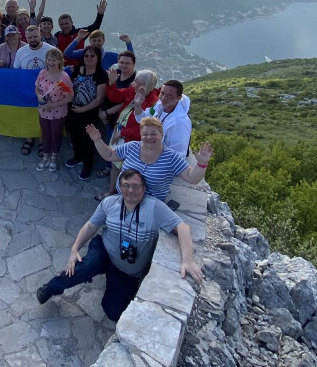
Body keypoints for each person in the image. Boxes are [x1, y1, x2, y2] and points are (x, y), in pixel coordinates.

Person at [35, 169, 203, 321]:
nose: (131, 190)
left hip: (128, 269)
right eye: (126, 186)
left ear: (144, 189)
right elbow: (91, 226)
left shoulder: (154, 208)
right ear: (120, 187)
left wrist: (187, 260)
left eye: (136, 186)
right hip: (105, 250)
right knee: (84, 267)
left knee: (113, 312)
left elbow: (183, 227)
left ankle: (111, 280)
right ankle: (50, 288)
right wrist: (74, 249)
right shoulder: (110, 203)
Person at [86, 117, 213, 202]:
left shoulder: (171, 157)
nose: (149, 137)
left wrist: (202, 163)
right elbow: (109, 155)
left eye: (154, 134)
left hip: (148, 205)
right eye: (145, 134)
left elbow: (192, 178)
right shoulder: (132, 146)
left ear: (162, 135)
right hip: (123, 197)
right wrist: (97, 140)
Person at [95, 70, 159, 201]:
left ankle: (118, 196)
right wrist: (112, 84)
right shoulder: (134, 91)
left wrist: (122, 133)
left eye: (137, 81)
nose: (133, 83)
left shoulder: (153, 104)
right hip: (120, 134)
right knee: (115, 165)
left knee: (124, 170)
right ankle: (112, 192)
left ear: (146, 85)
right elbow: (116, 97)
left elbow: (143, 129)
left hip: (129, 140)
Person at [66, 46, 107, 180]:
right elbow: (69, 86)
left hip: (88, 113)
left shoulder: (101, 74)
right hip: (72, 109)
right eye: (86, 55)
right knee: (74, 136)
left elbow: (100, 98)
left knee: (87, 140)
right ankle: (78, 157)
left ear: (98, 58)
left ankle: (87, 165)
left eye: (92, 56)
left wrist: (82, 109)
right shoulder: (77, 69)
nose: (89, 58)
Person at [14, 25, 55, 155]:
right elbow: (16, 71)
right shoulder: (21, 51)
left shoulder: (51, 50)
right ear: (25, 37)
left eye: (35, 36)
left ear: (40, 35)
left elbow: (58, 70)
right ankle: (29, 139)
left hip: (46, 92)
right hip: (26, 91)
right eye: (29, 37)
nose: (32, 39)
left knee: (44, 117)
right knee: (27, 116)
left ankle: (43, 141)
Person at [35, 48, 73, 172]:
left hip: (58, 113)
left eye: (54, 60)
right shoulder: (42, 73)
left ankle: (54, 157)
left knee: (55, 135)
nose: (51, 63)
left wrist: (53, 105)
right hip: (43, 110)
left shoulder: (64, 77)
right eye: (49, 60)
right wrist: (39, 96)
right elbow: (36, 89)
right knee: (45, 134)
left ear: (60, 61)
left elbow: (70, 97)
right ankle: (46, 156)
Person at [133, 80, 192, 156]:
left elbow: (178, 154)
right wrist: (137, 105)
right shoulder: (159, 106)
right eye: (162, 93)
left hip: (162, 161)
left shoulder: (181, 121)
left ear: (179, 97)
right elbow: (142, 119)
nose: (164, 98)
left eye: (169, 95)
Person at [99, 52, 140, 143]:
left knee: (112, 142)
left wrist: (105, 113)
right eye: (121, 62)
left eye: (127, 63)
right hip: (104, 112)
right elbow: (104, 91)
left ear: (133, 64)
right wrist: (100, 110)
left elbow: (126, 102)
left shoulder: (135, 80)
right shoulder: (115, 73)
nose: (124, 65)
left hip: (117, 117)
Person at [55, 1, 107, 66]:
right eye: (62, 24)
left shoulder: (80, 32)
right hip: (62, 69)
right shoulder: (57, 35)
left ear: (72, 22)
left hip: (78, 68)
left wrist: (100, 14)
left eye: (66, 23)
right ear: (59, 25)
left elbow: (95, 27)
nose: (64, 26)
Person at [63, 30, 134, 70]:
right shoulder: (84, 53)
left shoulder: (109, 56)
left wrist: (128, 42)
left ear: (103, 41)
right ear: (90, 42)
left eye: (99, 41)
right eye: (94, 41)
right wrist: (78, 38)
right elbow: (67, 53)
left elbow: (130, 59)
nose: (96, 43)